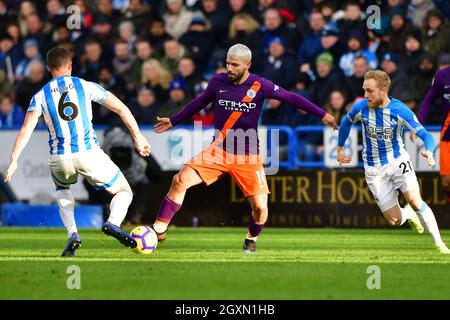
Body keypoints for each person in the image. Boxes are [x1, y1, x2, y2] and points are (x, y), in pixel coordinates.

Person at [152, 44, 337, 253]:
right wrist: (174, 121)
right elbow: (198, 103)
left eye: (234, 65)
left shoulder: (260, 85)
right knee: (180, 180)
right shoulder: (217, 82)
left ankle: (251, 238)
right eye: (228, 63)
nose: (229, 68)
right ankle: (158, 229)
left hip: (248, 155)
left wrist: (323, 114)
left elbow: (290, 97)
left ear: (248, 65)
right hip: (218, 150)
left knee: (259, 208)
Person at [3, 47, 151, 256]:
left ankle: (73, 234)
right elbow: (121, 109)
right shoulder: (85, 86)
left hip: (59, 158)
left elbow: (26, 130)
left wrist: (14, 160)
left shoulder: (40, 95)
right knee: (123, 190)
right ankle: (113, 223)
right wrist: (138, 137)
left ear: (48, 68)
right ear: (70, 65)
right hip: (88, 153)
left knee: (63, 190)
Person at [337, 70, 449, 254]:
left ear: (384, 90)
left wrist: (429, 150)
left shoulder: (400, 110)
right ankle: (408, 215)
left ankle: (440, 244)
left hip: (398, 161)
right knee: (393, 220)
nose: (366, 95)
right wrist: (340, 148)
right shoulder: (360, 108)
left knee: (414, 200)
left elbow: (425, 134)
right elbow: (346, 122)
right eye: (364, 90)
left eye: (370, 91)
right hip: (373, 169)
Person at [417, 65, 450, 203]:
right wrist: (418, 124)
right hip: (448, 133)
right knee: (446, 182)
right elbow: (429, 99)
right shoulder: (442, 75)